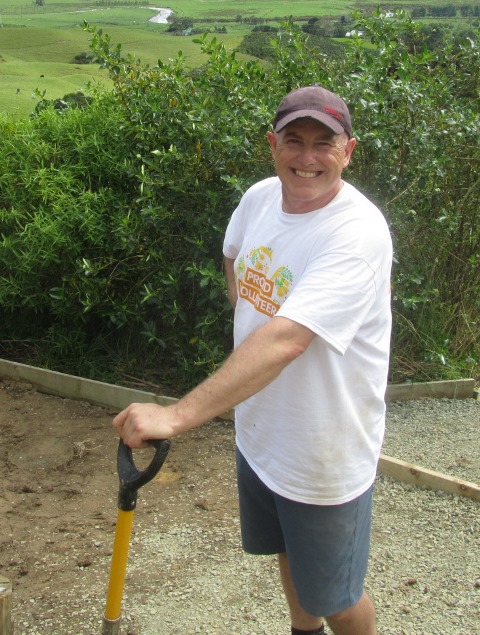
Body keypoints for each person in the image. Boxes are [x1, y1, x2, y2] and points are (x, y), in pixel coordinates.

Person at [113, 85, 393, 635]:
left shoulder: (357, 233)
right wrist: (246, 318)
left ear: (349, 151)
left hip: (323, 454)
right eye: (294, 140)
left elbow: (287, 340)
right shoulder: (261, 197)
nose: (307, 157)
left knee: (335, 596)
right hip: (262, 435)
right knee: (287, 554)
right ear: (272, 144)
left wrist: (177, 415)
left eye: (324, 143)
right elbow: (234, 256)